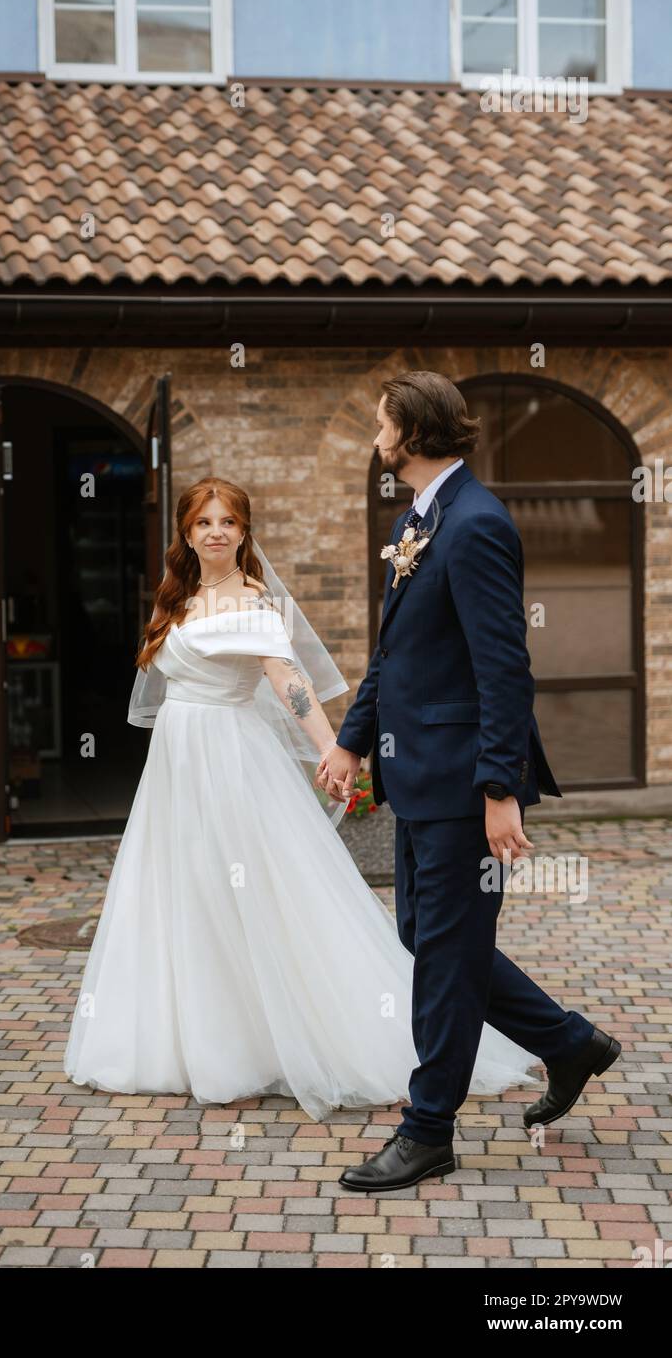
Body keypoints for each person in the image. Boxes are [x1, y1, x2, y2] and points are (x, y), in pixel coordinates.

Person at [63, 473, 543, 1139]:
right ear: (185, 532)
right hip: (176, 764)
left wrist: (332, 752)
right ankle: (188, 1037)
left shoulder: (254, 604)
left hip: (229, 761)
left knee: (248, 894)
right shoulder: (180, 597)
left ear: (243, 531)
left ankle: (271, 1046)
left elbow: (289, 683)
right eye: (203, 522)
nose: (215, 532)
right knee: (184, 892)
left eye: (228, 521)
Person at [318, 371, 620, 1193]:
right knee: (431, 941)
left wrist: (499, 788)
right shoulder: (416, 518)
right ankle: (568, 1043)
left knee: (443, 959)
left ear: (410, 433)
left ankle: (427, 1131)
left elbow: (503, 668)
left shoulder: (478, 524)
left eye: (381, 423)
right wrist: (351, 741)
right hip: (411, 771)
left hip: (459, 785)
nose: (375, 437)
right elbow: (393, 655)